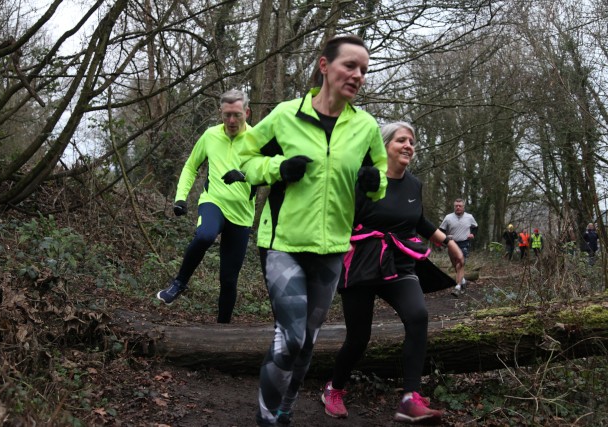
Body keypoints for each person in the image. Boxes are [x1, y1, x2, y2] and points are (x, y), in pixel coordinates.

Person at [239, 35, 388, 426]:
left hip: (332, 248)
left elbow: (381, 173)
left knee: (307, 342)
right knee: (290, 336)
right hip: (283, 243)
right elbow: (245, 158)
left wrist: (374, 182)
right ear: (324, 66)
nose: (357, 75)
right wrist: (277, 168)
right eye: (350, 65)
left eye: (363, 70)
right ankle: (267, 419)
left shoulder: (366, 127)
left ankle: (285, 409)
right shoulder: (285, 115)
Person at [321, 122, 463, 424]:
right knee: (358, 338)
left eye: (412, 141)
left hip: (399, 261)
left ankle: (410, 398)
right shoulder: (364, 179)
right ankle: (334, 388)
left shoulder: (414, 185)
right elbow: (335, 215)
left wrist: (448, 242)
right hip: (361, 261)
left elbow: (418, 220)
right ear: (384, 145)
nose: (408, 145)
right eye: (401, 140)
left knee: (418, 316)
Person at [155, 89, 256, 324]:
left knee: (229, 280)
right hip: (214, 202)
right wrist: (180, 198)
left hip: (242, 215)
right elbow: (191, 166)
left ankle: (223, 329)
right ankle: (179, 283)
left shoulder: (257, 139)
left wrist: (245, 175)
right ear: (220, 112)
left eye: (237, 115)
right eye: (227, 114)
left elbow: (270, 172)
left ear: (247, 113)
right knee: (205, 235)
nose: (232, 120)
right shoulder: (210, 135)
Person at [439, 198, 478, 296]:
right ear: (454, 207)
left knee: (460, 263)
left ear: (463, 207)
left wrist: (473, 234)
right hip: (452, 243)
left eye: (460, 206)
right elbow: (441, 230)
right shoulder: (448, 217)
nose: (458, 207)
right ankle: (463, 280)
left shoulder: (469, 217)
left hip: (464, 243)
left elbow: (475, 227)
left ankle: (457, 287)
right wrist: (446, 236)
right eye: (456, 206)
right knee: (455, 264)